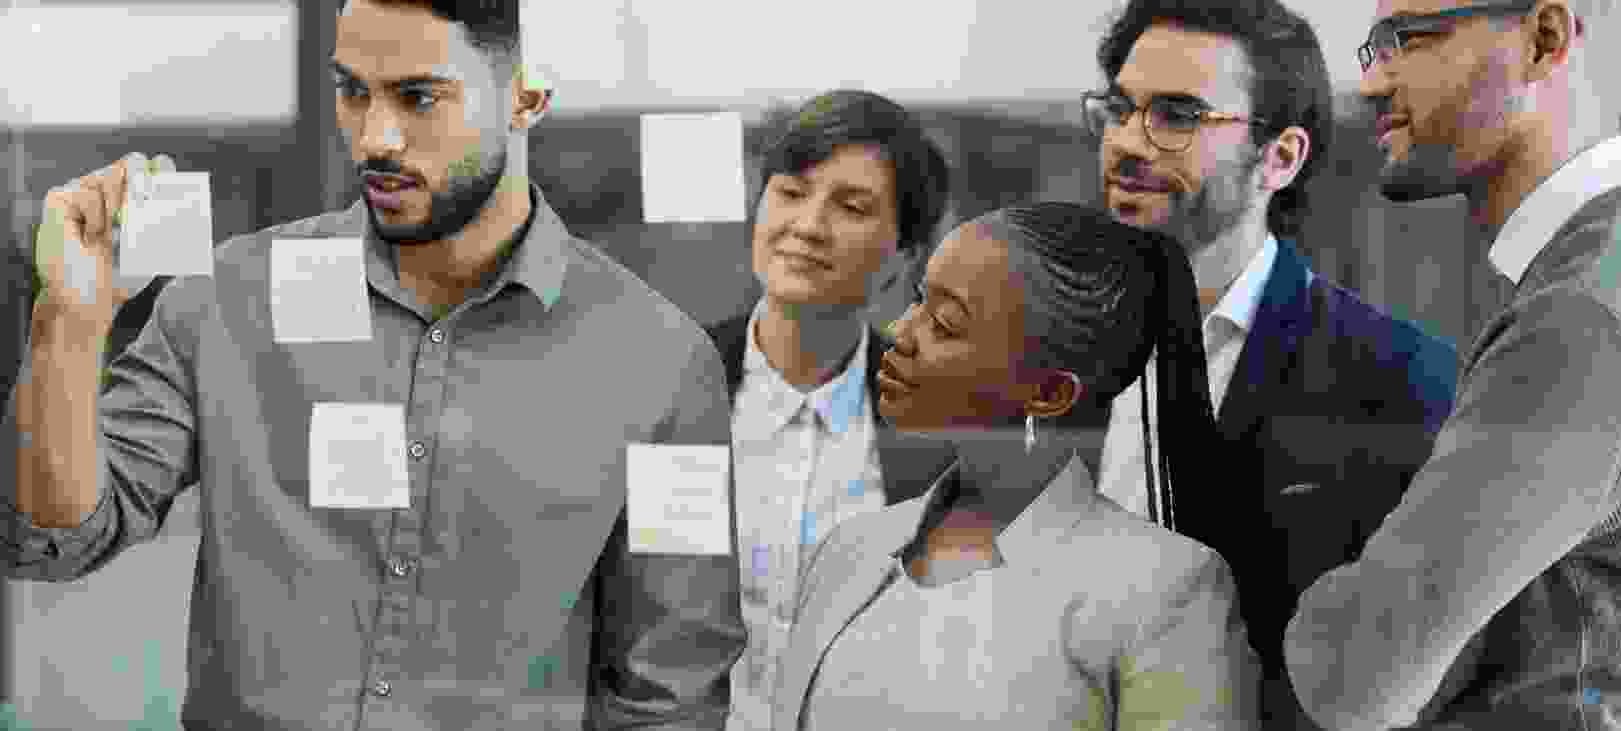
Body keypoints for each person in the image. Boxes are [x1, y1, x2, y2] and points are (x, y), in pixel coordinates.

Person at [4, 0, 745, 728]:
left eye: (419, 97)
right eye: (352, 91)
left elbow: (671, 691)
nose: (374, 138)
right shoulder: (228, 299)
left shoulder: (663, 364)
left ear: (524, 99)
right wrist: (67, 318)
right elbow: (51, 540)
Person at [1085, 0, 1460, 726]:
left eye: (1176, 115)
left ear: (1280, 158)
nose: (1127, 142)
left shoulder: (1398, 382)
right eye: (1119, 109)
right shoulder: (1041, 352)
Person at [771, 201, 1261, 730]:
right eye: (919, 300)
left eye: (945, 323)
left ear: (1049, 393)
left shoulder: (1163, 590)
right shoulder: (847, 554)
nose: (900, 331)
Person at [1286, 0, 1621, 728]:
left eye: (1409, 39)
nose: (1371, 83)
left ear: (1543, 39)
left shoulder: (1576, 314)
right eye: (1374, 48)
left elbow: (1358, 675)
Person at [701, 89, 955, 731]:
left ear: (904, 255)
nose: (808, 226)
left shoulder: (941, 422)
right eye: (790, 192)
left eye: (852, 207)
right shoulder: (669, 386)